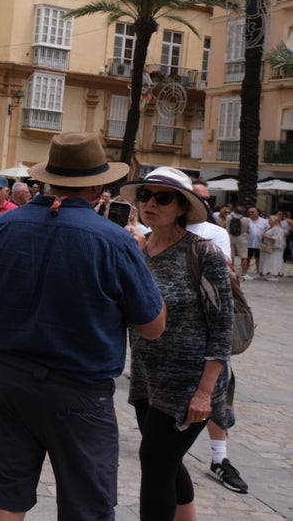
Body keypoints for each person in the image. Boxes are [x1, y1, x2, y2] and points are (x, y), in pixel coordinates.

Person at [0, 131, 166, 521]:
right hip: (81, 393)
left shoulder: (4, 227)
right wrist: (142, 262)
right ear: (100, 184)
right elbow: (153, 327)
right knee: (88, 509)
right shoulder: (116, 241)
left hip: (11, 380)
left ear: (49, 178)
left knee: (6, 500)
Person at [122, 167, 234, 520]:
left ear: (182, 207)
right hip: (146, 377)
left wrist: (204, 392)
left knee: (154, 465)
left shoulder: (203, 254)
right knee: (166, 461)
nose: (150, 203)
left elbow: (222, 326)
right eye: (145, 196)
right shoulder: (138, 251)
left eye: (162, 197)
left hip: (188, 384)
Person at [187, 179, 249, 495]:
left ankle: (219, 458)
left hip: (208, 329)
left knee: (217, 394)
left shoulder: (216, 234)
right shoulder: (155, 232)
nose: (202, 203)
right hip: (168, 336)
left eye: (206, 199)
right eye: (195, 197)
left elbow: (226, 278)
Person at [260, 213, 285, 280]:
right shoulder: (271, 228)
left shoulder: (278, 229)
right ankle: (270, 274)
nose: (268, 221)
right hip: (269, 247)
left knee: (275, 261)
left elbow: (279, 239)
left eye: (270, 220)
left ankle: (275, 275)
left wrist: (267, 236)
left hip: (275, 248)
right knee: (270, 261)